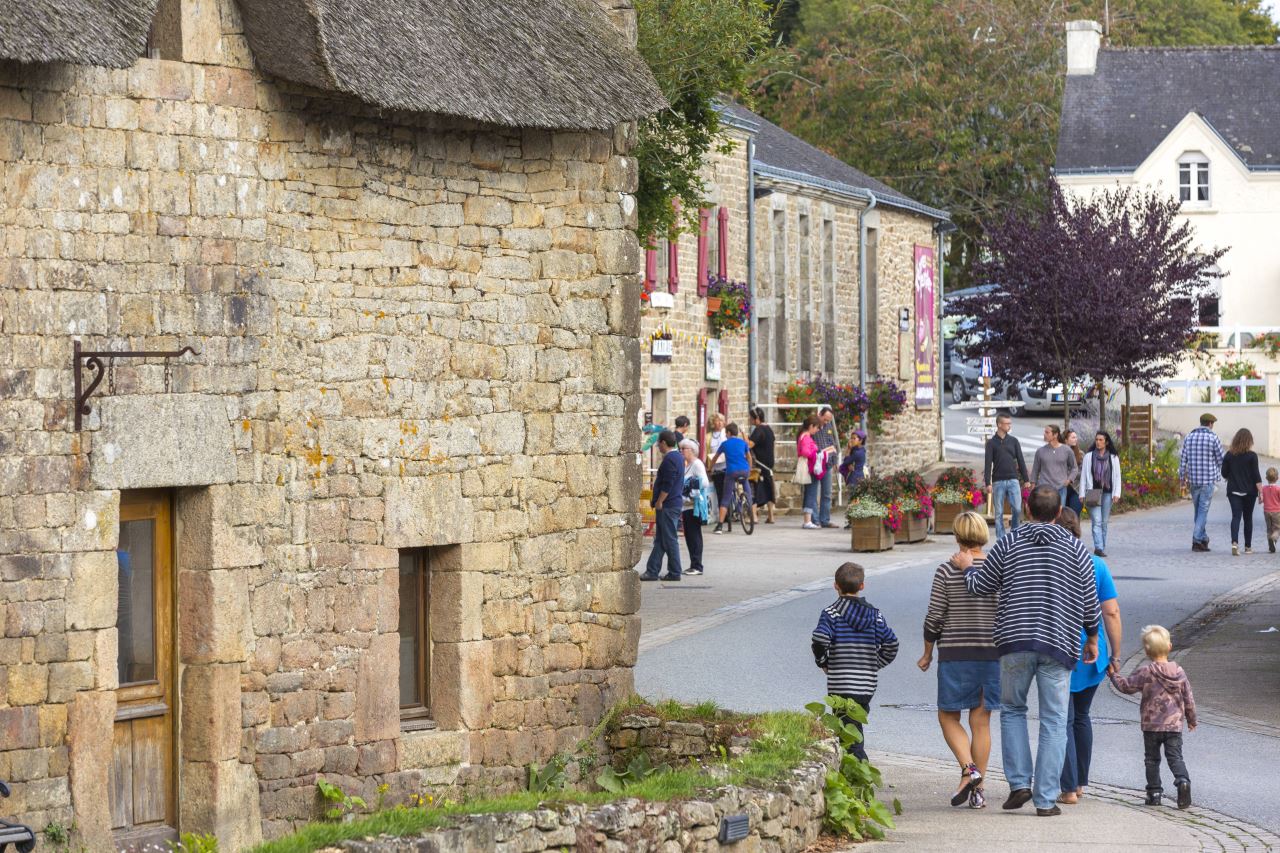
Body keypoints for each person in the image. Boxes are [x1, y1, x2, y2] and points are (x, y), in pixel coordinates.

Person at [957, 486, 1100, 817]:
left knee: (1012, 710)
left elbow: (981, 587)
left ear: (1028, 508)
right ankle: (1046, 799)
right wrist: (1091, 637)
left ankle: (1020, 783)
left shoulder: (1008, 543)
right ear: (1060, 510)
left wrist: (967, 567)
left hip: (1015, 640)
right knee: (1053, 719)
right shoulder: (1077, 550)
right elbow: (1090, 602)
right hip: (1059, 642)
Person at [918, 511, 1000, 809]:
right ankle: (978, 791)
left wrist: (927, 652)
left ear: (957, 536)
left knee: (948, 716)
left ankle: (969, 769)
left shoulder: (946, 570)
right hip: (991, 653)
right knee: (981, 722)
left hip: (955, 653)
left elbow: (935, 617)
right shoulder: (997, 568)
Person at [1051, 508, 1123, 806]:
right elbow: (1112, 612)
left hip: (1058, 649)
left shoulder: (1051, 564)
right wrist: (1115, 654)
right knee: (1081, 717)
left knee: (1062, 720)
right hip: (1093, 653)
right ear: (1078, 530)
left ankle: (1067, 789)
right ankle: (1080, 783)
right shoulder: (1096, 565)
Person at [811, 562, 899, 761]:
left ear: (835, 586)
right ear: (862, 586)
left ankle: (859, 766)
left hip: (840, 683)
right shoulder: (875, 615)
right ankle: (851, 767)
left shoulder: (831, 613)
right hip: (866, 686)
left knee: (847, 730)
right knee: (854, 724)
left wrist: (823, 662)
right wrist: (874, 664)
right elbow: (892, 643)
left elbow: (819, 639)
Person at [1109, 625, 1197, 809]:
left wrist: (1113, 675)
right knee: (1175, 757)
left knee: (1152, 760)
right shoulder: (1179, 672)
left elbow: (1127, 687)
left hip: (1151, 726)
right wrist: (1191, 719)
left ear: (1147, 651)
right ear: (1170, 646)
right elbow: (1188, 697)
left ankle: (1154, 793)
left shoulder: (1145, 672)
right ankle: (1182, 782)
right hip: (1173, 726)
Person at [640, 431, 684, 582]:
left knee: (670, 539)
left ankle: (675, 571)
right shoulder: (678, 457)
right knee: (660, 539)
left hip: (668, 505)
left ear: (664, 443)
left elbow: (668, 483)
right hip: (672, 503)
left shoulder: (670, 459)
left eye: (659, 443)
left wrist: (659, 501)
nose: (658, 446)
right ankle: (652, 570)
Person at [1179, 413, 1224, 552]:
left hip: (1193, 481)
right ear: (1210, 424)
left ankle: (1203, 539)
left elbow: (1183, 459)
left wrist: (1182, 477)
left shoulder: (1189, 437)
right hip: (1207, 481)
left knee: (1198, 512)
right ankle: (1197, 539)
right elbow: (1221, 458)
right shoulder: (1213, 437)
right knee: (1202, 512)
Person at [983, 413, 1031, 540]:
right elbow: (987, 463)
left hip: (1013, 480)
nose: (1009, 425)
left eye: (1010, 423)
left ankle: (1015, 534)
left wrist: (1026, 479)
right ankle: (1001, 539)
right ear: (999, 424)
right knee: (998, 513)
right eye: (1007, 423)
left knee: (1016, 508)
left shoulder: (1014, 441)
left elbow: (1020, 460)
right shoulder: (991, 443)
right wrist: (988, 483)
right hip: (998, 481)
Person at [1080, 431, 1122, 558]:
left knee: (1104, 522)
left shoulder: (1113, 457)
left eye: (1101, 440)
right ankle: (1098, 547)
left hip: (1108, 493)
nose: (1098, 442)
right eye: (1096, 439)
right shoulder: (1089, 456)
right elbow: (1083, 476)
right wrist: (1082, 493)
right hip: (1093, 491)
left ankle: (1101, 546)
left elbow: (1117, 476)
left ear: (1106, 442)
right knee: (1096, 521)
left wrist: (1117, 493)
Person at [1221, 427, 1261, 556]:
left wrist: (1231, 475)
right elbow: (1256, 476)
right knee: (1248, 518)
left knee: (1236, 517)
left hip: (1233, 491)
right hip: (1250, 493)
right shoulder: (1252, 456)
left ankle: (1234, 543)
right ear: (1249, 441)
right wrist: (1261, 492)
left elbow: (1224, 473)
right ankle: (1248, 547)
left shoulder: (1229, 455)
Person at [710, 422, 753, 533]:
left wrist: (710, 468)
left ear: (728, 433)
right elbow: (749, 457)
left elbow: (715, 458)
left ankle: (719, 526)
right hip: (744, 470)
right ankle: (747, 502)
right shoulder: (743, 443)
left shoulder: (725, 444)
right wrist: (750, 468)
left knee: (726, 498)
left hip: (731, 472)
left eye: (726, 433)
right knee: (745, 483)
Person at [679, 439, 710, 577]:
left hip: (693, 505)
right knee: (690, 536)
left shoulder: (697, 464)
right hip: (686, 506)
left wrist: (690, 487)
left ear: (691, 450)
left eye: (684, 448)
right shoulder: (687, 465)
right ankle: (693, 564)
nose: (681, 451)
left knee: (694, 535)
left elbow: (704, 482)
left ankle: (697, 565)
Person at [1032, 425, 1079, 505]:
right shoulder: (1040, 451)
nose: (1044, 434)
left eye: (1047, 432)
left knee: (1059, 513)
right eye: (1045, 432)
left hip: (1061, 488)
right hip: (1044, 489)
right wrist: (1033, 484)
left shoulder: (1067, 450)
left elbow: (1074, 468)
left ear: (1055, 435)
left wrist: (1069, 480)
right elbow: (1035, 470)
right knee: (1045, 512)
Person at [748, 407, 776, 524]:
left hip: (760, 464)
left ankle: (754, 516)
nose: (750, 420)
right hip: (769, 464)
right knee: (769, 489)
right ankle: (771, 516)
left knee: (754, 488)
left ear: (757, 419)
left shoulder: (758, 430)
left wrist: (744, 437)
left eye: (751, 418)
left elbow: (749, 445)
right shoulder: (769, 429)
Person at [796, 416, 825, 530]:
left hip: (807, 467)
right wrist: (816, 452)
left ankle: (807, 520)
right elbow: (805, 452)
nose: (817, 430)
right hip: (811, 468)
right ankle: (808, 521)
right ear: (811, 426)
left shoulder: (802, 435)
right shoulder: (807, 437)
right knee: (811, 494)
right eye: (817, 428)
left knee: (809, 492)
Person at [815, 407, 840, 528]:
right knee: (814, 492)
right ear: (819, 415)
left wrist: (835, 461)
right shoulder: (813, 427)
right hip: (816, 463)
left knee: (827, 493)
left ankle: (824, 520)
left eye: (828, 420)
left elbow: (833, 444)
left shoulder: (829, 427)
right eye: (825, 419)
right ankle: (814, 520)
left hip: (828, 464)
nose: (826, 422)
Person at [706, 413, 727, 515]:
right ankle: (722, 513)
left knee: (727, 490)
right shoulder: (709, 436)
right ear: (713, 423)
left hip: (726, 465)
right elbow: (707, 450)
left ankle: (729, 512)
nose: (719, 423)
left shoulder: (726, 434)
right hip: (715, 466)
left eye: (721, 421)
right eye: (717, 421)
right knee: (719, 491)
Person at [1063, 430, 1085, 515]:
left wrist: (1070, 476)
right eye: (1073, 437)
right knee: (1062, 517)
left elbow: (1083, 473)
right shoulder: (1060, 453)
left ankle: (1075, 529)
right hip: (1062, 488)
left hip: (1076, 489)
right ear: (1066, 440)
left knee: (1074, 515)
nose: (1075, 439)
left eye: (1076, 437)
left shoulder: (1081, 454)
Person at [1261, 467, 1280, 553]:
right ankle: (1273, 539)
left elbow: (1260, 500)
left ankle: (1271, 545)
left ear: (1266, 478)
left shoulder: (1263, 489)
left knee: (1269, 529)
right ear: (1277, 478)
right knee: (1277, 529)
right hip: (1276, 511)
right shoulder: (1278, 489)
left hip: (1266, 511)